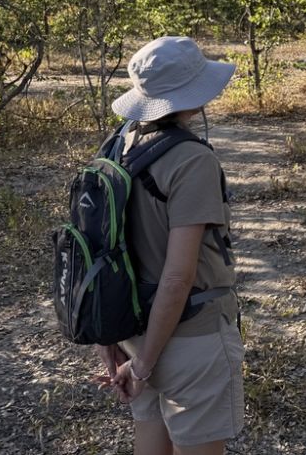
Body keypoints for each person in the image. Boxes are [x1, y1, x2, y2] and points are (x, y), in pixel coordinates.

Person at [93, 36, 243, 455]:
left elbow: (101, 248)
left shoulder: (118, 145)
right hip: (190, 337)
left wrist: (117, 346)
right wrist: (143, 366)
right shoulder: (193, 160)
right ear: (192, 98)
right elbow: (178, 277)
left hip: (135, 330)